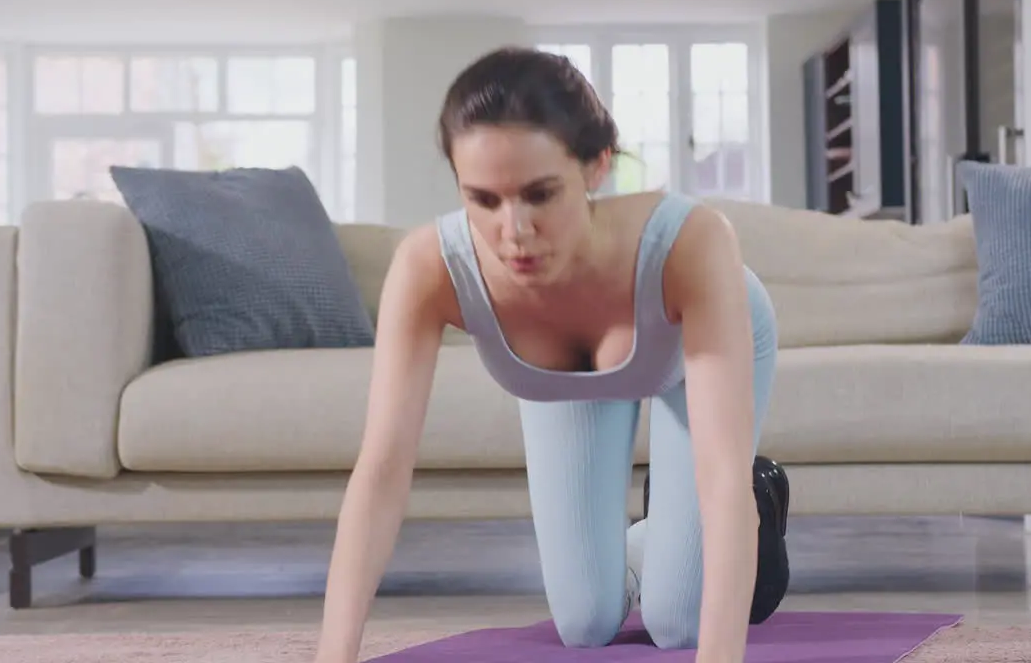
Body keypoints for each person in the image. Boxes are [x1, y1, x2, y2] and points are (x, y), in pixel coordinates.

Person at [312, 46, 790, 663]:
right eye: (482, 199)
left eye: (540, 194)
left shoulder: (692, 243)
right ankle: (665, 535)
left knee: (679, 625)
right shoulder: (428, 267)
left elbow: (720, 479)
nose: (514, 231)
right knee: (585, 622)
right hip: (565, 380)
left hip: (694, 347)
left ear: (596, 168)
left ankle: (760, 504)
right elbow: (381, 470)